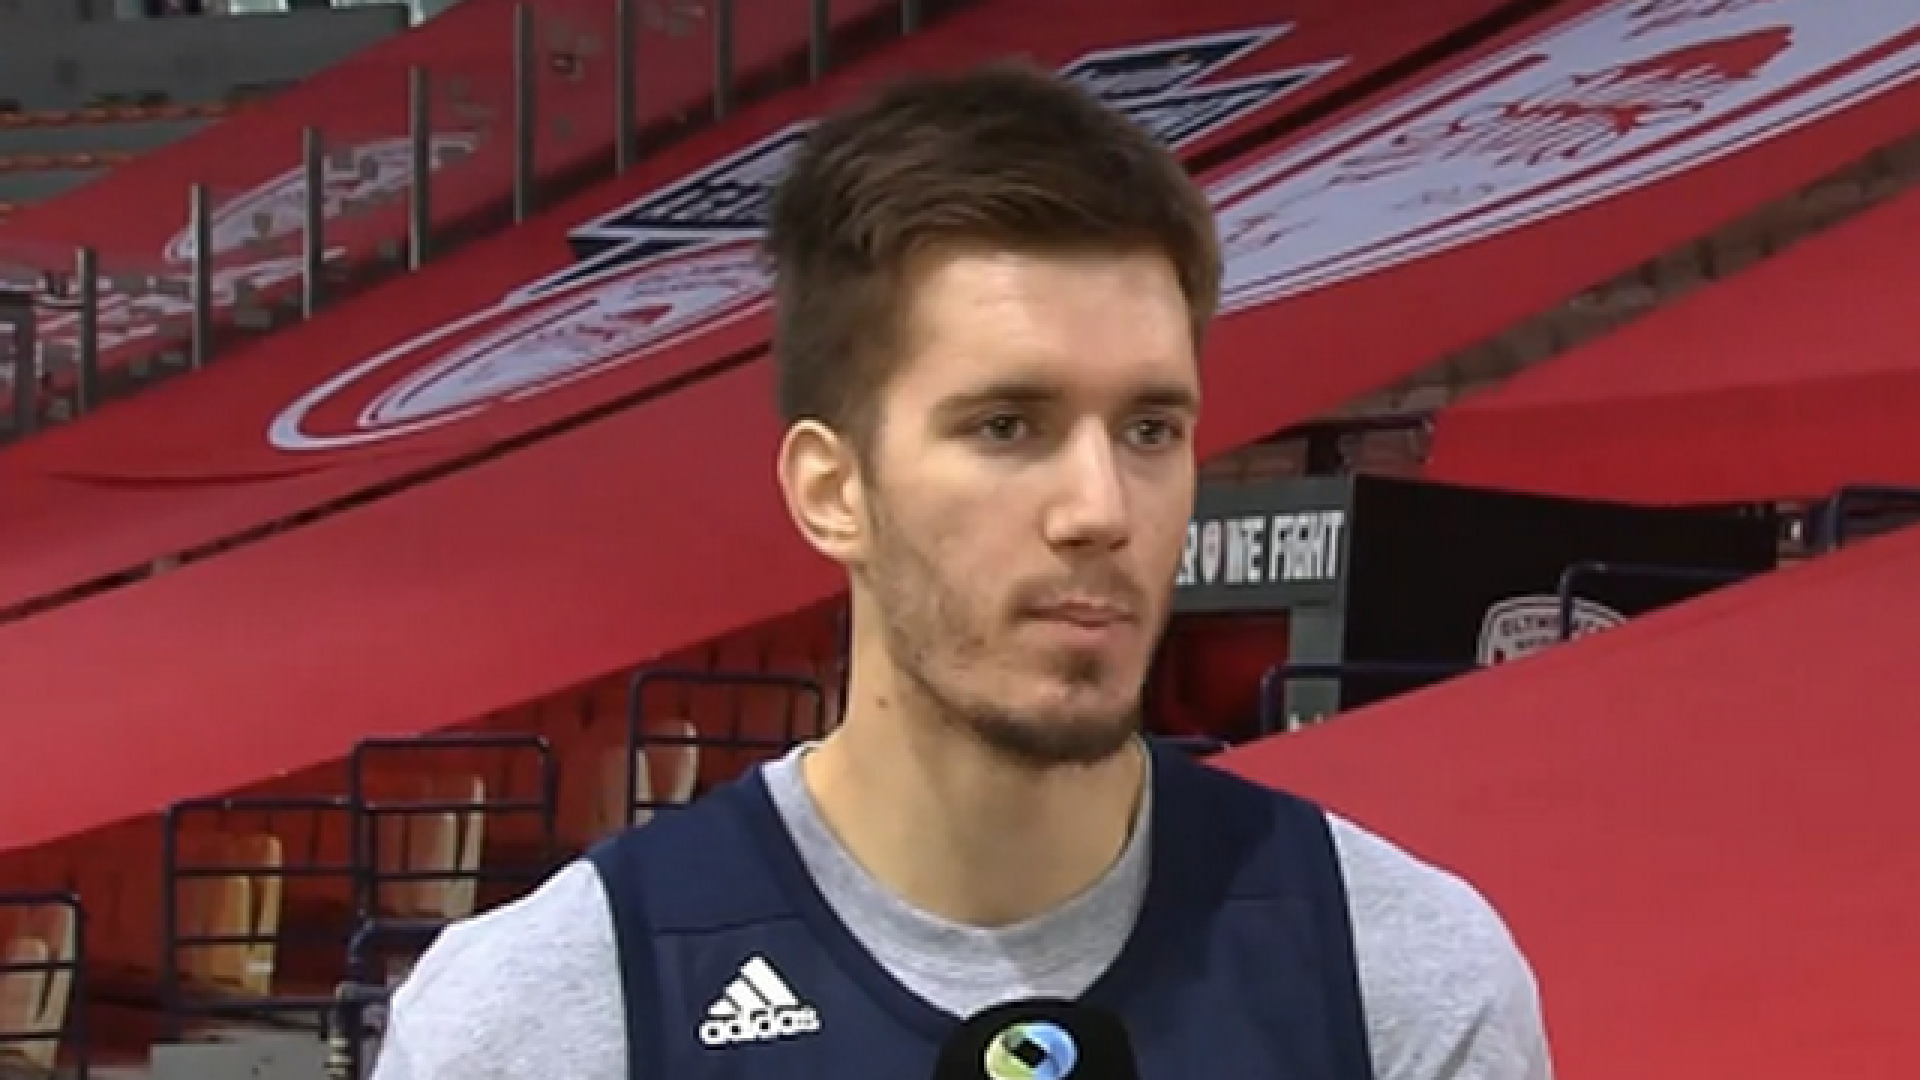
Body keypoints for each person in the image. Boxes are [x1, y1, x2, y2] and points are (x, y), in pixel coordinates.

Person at [371, 61, 1553, 1080]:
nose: (1099, 510)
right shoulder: (543, 1017)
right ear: (833, 490)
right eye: (1006, 427)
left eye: (1150, 429)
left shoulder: (1396, 975)